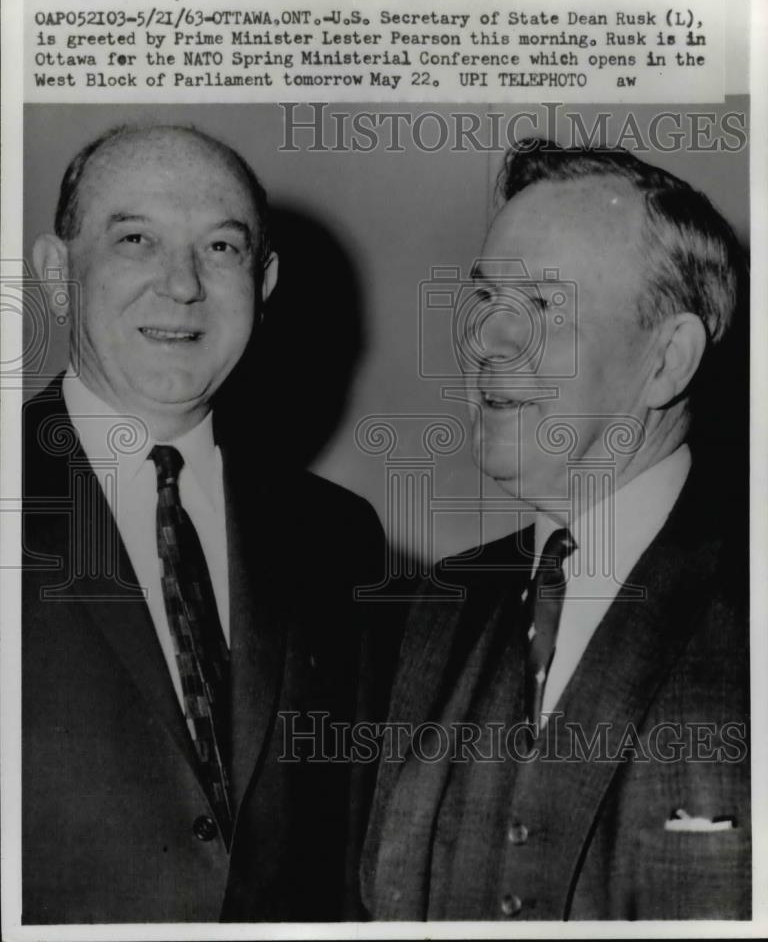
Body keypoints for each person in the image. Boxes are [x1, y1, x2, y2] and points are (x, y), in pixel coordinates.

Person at [361, 141, 750, 920]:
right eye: (484, 303)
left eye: (541, 308)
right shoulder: (418, 616)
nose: (487, 345)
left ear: (668, 361)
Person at [22, 123, 387, 923]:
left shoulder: (339, 539)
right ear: (56, 274)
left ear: (265, 282)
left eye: (222, 248)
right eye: (135, 239)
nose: (183, 284)